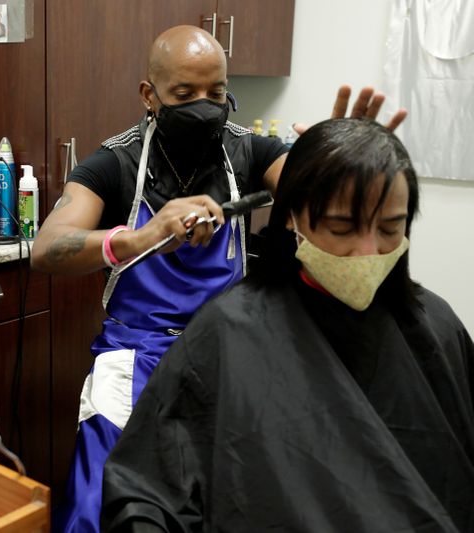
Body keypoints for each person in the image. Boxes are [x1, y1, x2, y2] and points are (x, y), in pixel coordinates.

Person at [30, 24, 407, 532]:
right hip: (135, 356)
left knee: (231, 496)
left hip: (227, 349)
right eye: (185, 94)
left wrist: (342, 162)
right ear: (150, 94)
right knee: (103, 499)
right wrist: (142, 237)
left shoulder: (248, 152)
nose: (204, 105)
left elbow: (316, 195)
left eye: (217, 92)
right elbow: (47, 248)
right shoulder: (115, 162)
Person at [101, 118, 474, 532]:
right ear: (293, 217)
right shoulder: (229, 331)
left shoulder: (437, 327)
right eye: (342, 227)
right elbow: (147, 493)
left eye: (390, 228)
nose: (367, 252)